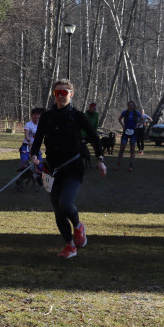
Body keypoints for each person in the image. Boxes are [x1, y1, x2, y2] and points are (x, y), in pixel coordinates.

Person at [30, 79, 106, 259]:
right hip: (52, 170)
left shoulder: (78, 116)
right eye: (57, 93)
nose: (60, 96)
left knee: (65, 204)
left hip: (73, 167)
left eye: (64, 93)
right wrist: (34, 155)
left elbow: (95, 138)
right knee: (57, 210)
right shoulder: (47, 117)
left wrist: (100, 160)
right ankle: (70, 246)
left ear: (71, 94)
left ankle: (78, 227)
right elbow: (38, 138)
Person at [116, 100, 144, 171]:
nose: (131, 106)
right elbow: (119, 119)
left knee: (132, 150)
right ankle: (118, 165)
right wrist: (122, 125)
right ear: (127, 106)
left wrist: (138, 125)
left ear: (134, 106)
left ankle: (130, 166)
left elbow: (142, 120)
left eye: (132, 105)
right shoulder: (125, 112)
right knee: (122, 149)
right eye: (129, 105)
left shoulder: (136, 112)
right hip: (126, 131)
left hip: (134, 132)